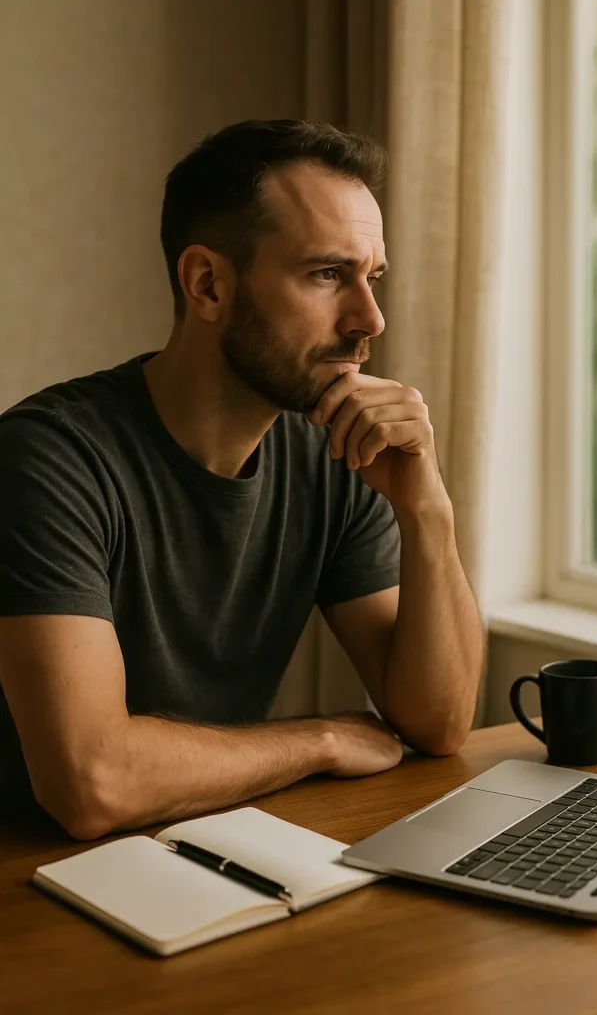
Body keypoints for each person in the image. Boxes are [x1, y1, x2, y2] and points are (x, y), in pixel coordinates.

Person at [0, 119, 484, 840]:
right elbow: (91, 782)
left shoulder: (334, 449)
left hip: (203, 844)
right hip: (30, 880)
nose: (369, 318)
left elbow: (438, 722)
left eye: (371, 276)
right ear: (207, 284)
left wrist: (428, 510)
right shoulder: (48, 460)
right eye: (327, 274)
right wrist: (319, 740)